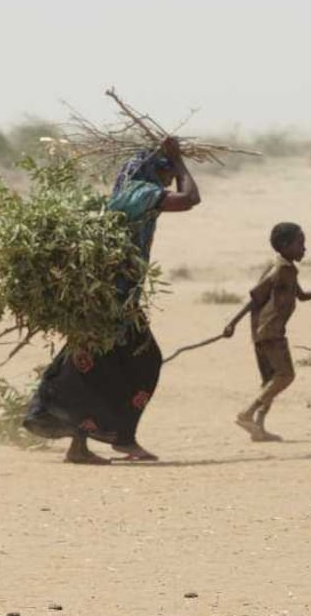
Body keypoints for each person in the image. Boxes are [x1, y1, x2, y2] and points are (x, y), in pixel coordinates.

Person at [24, 136, 200, 464]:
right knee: (136, 362)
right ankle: (115, 440)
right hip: (112, 298)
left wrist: (173, 161)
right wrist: (178, 160)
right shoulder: (138, 194)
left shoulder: (134, 192)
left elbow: (183, 198)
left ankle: (96, 441)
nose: (169, 180)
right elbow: (190, 198)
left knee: (93, 365)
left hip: (115, 295)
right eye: (166, 173)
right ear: (155, 171)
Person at [223, 222, 311, 441]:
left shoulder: (287, 268)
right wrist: (232, 323)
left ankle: (258, 428)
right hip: (271, 331)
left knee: (270, 380)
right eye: (300, 244)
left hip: (264, 331)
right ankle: (247, 413)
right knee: (285, 375)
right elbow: (255, 298)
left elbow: (300, 296)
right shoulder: (280, 270)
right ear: (285, 245)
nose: (304, 249)